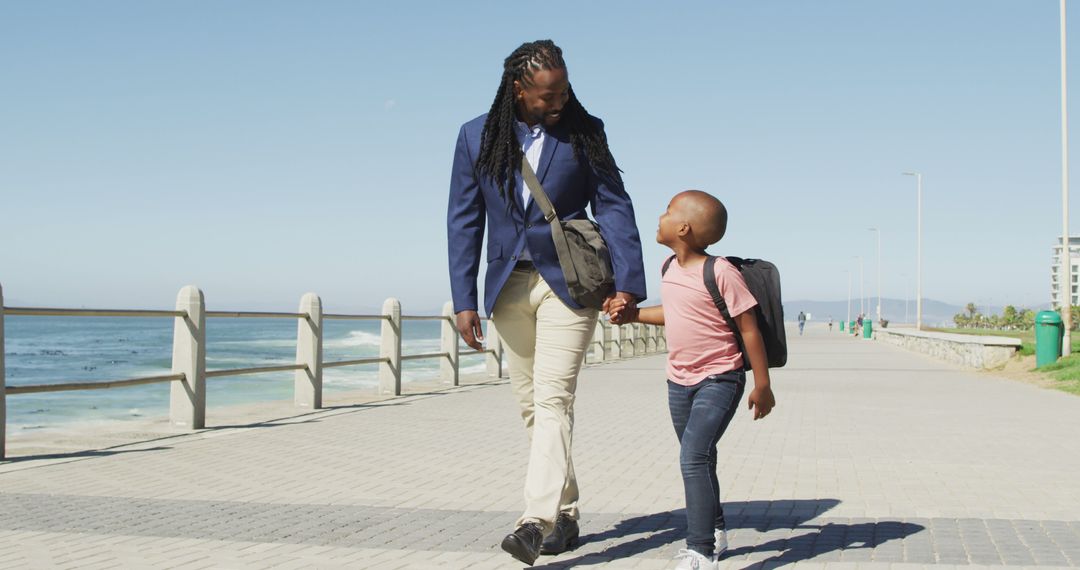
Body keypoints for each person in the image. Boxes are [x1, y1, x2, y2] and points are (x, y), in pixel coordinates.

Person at [446, 40, 646, 566]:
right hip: (507, 284)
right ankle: (567, 511)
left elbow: (614, 206)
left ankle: (535, 521)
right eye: (546, 95)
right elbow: (464, 220)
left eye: (563, 90)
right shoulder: (476, 135)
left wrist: (628, 284)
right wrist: (463, 297)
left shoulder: (585, 130)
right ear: (518, 88)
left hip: (570, 283)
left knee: (554, 399)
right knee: (532, 406)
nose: (558, 102)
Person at [608, 190, 775, 570]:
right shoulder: (669, 267)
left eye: (666, 212)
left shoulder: (719, 272)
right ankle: (715, 529)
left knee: (692, 457)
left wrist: (762, 385)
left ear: (682, 228)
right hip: (678, 381)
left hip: (720, 378)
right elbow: (674, 313)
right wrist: (632, 316)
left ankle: (700, 551)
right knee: (701, 457)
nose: (660, 216)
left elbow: (749, 329)